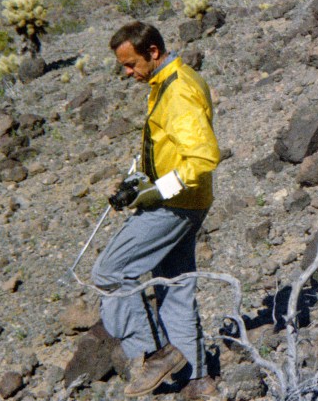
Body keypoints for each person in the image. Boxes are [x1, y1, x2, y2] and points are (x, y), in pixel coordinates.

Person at [92, 22, 221, 399]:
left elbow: (203, 157)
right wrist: (138, 183)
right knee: (174, 284)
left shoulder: (177, 89)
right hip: (186, 201)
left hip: (176, 203)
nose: (127, 73)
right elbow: (168, 145)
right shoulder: (165, 83)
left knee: (110, 271)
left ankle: (151, 356)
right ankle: (198, 382)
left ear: (152, 52)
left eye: (131, 64)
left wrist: (155, 193)